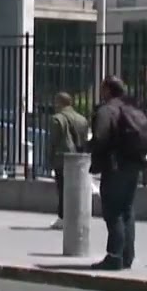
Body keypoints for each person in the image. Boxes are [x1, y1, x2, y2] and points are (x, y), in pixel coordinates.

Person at [88, 75, 147, 271]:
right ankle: (127, 256)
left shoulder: (107, 110)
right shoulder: (132, 109)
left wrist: (87, 147)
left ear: (108, 90)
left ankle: (114, 257)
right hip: (134, 165)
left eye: (102, 88)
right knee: (127, 210)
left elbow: (100, 138)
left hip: (115, 166)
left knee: (113, 211)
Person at [47, 92, 91, 230]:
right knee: (76, 189)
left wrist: (49, 158)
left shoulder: (57, 119)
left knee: (62, 188)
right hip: (79, 158)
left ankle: (62, 217)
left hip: (63, 158)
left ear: (60, 102)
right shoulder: (82, 119)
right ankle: (76, 216)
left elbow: (53, 141)